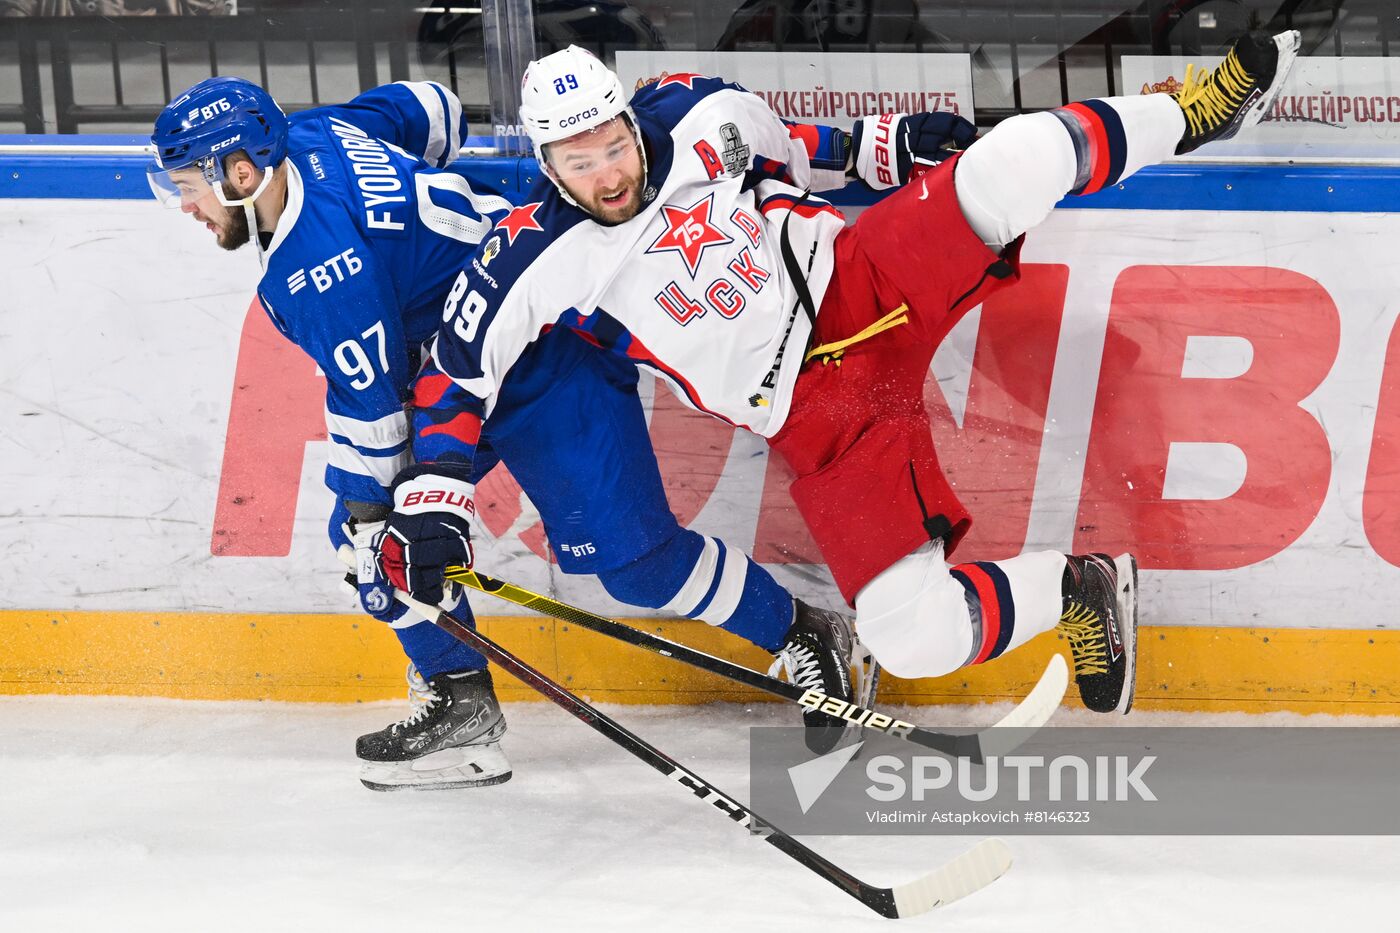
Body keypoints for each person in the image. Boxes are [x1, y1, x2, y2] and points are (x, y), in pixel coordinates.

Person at [374, 31, 1302, 716]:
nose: (609, 171)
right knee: (913, 633)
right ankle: (1078, 587)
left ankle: (1195, 112)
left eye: (613, 142)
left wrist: (876, 149)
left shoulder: (698, 108)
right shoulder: (527, 259)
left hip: (863, 283)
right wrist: (430, 507)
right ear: (545, 160)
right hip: (823, 423)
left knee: (1009, 157)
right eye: (580, 160)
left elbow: (793, 150)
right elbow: (457, 380)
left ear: (624, 114)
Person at [147, 76, 851, 791]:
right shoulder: (318, 132)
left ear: (242, 172)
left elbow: (375, 412)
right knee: (381, 544)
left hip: (540, 359)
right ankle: (460, 702)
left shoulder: (315, 274)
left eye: (190, 185)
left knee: (627, 563)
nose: (186, 204)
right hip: (455, 372)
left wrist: (373, 520)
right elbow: (431, 109)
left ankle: (805, 629)